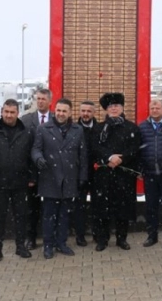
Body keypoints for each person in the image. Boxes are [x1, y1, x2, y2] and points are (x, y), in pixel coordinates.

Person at [32, 98, 88, 259]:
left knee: (65, 214)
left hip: (70, 178)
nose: (61, 114)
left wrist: (82, 176)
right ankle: (48, 245)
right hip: (50, 178)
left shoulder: (78, 130)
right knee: (49, 215)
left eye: (64, 111)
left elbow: (82, 155)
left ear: (70, 113)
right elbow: (36, 149)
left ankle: (62, 243)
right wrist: (38, 158)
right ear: (54, 111)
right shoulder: (43, 129)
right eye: (58, 110)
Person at [0, 99, 35, 262]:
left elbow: (31, 156)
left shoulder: (26, 131)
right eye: (6, 112)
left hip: (21, 182)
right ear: (2, 112)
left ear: (18, 113)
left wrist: (32, 176)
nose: (9, 115)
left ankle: (20, 246)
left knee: (21, 216)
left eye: (12, 112)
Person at [89, 92, 141, 251]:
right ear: (106, 109)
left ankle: (121, 238)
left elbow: (136, 148)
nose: (114, 109)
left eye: (116, 106)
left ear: (122, 107)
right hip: (104, 175)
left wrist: (122, 159)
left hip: (123, 175)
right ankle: (102, 239)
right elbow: (95, 148)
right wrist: (109, 157)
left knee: (123, 209)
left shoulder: (132, 127)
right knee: (102, 208)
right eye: (110, 106)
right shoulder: (98, 128)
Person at [138, 99, 162, 248]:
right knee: (151, 206)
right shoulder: (143, 127)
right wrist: (140, 168)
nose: (154, 110)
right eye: (152, 107)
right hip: (149, 173)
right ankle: (152, 235)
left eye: (157, 107)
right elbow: (139, 150)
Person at [20, 88, 52, 250]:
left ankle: (50, 239)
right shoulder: (26, 120)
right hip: (32, 173)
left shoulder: (57, 119)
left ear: (49, 101)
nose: (40, 101)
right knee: (31, 208)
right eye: (38, 99)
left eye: (43, 99)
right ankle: (30, 237)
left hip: (51, 172)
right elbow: (23, 149)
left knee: (50, 208)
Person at [74, 101, 98, 246]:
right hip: (78, 173)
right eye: (83, 110)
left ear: (94, 113)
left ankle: (97, 234)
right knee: (79, 207)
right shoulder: (73, 129)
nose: (85, 114)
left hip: (96, 173)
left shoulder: (100, 129)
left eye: (89, 111)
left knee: (98, 205)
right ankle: (80, 235)